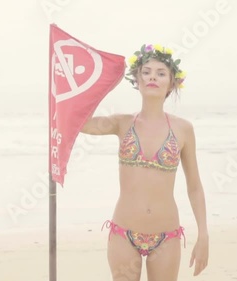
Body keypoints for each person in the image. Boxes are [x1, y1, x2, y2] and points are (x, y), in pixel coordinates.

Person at [80, 44, 209, 281]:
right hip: (123, 233)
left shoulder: (183, 129)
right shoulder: (122, 123)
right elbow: (82, 123)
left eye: (161, 73)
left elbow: (194, 186)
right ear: (137, 80)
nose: (152, 77)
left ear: (172, 84)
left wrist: (203, 235)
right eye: (146, 72)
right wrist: (104, 85)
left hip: (166, 236)